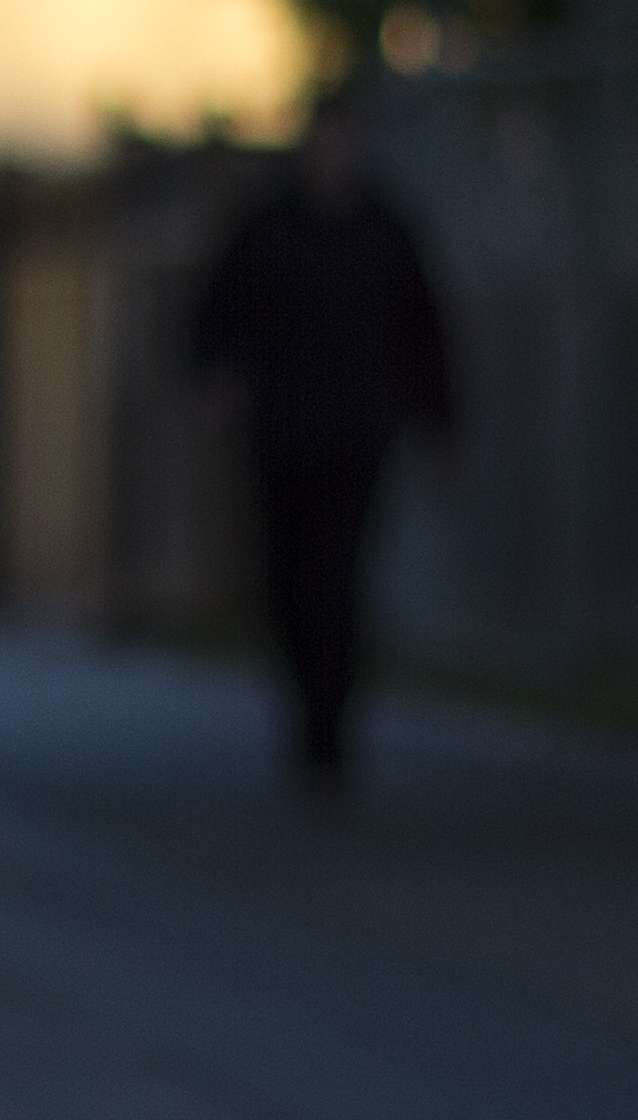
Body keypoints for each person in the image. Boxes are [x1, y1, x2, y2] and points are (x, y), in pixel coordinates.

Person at [191, 93, 454, 792]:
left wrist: (436, 422)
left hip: (358, 433)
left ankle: (332, 730)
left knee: (339, 580)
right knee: (287, 582)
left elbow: (424, 331)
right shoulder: (267, 229)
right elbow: (216, 314)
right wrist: (218, 380)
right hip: (281, 434)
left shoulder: (386, 230)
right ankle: (306, 711)